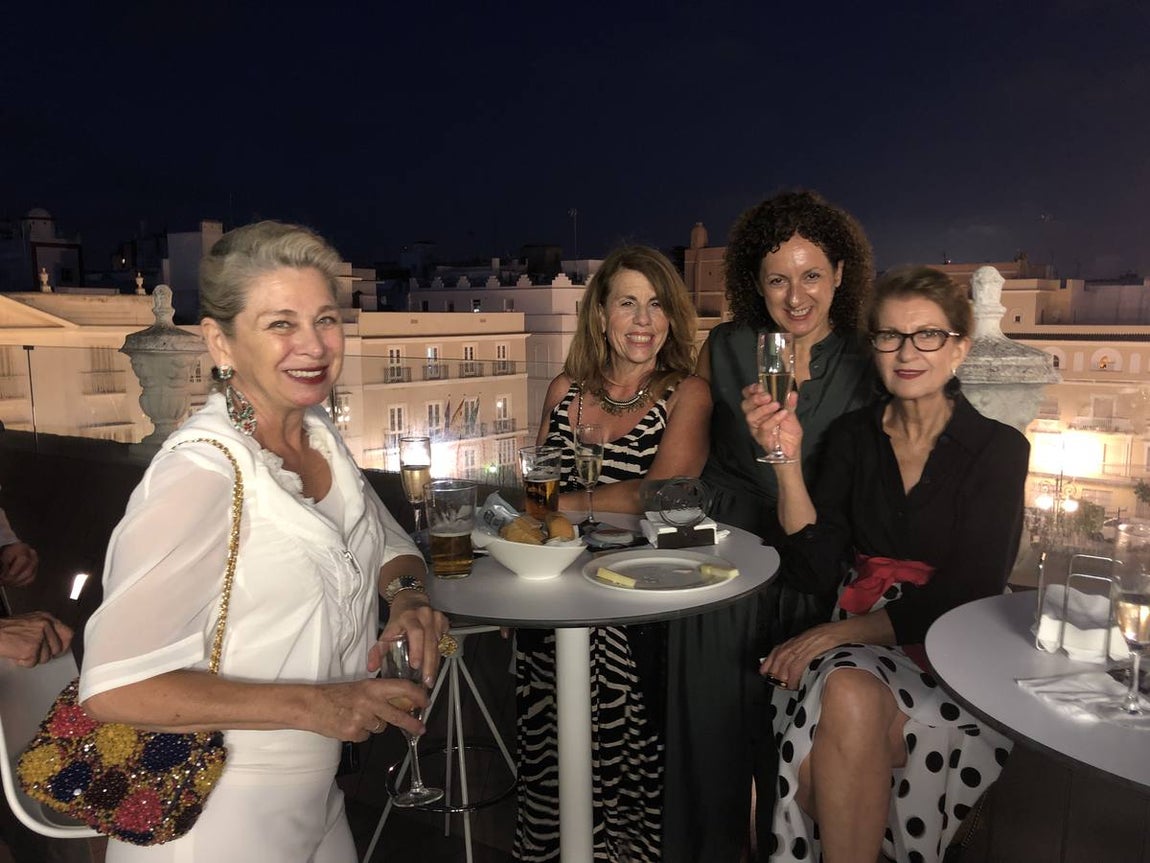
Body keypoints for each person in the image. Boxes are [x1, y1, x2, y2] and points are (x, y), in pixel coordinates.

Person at [78, 221, 451, 862]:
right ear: (220, 342)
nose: (313, 345)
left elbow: (387, 542)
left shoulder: (318, 438)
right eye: (281, 323)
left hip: (314, 803)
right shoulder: (201, 473)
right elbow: (115, 690)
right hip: (212, 818)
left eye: (326, 319)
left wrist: (410, 598)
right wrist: (319, 705)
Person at [742, 265, 1029, 863]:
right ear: (873, 346)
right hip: (855, 645)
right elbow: (816, 567)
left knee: (836, 736)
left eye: (927, 335)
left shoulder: (999, 449)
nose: (906, 352)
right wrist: (787, 463)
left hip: (951, 648)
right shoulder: (852, 437)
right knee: (848, 691)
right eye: (890, 336)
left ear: (961, 347)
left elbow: (970, 588)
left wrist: (830, 635)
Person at [663, 190, 877, 861]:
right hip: (722, 563)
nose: (796, 296)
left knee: (795, 759)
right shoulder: (725, 346)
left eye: (812, 274)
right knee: (708, 744)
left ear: (841, 274)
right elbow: (683, 467)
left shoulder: (870, 364)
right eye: (777, 279)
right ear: (755, 284)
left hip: (812, 571)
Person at [515, 245, 711, 861]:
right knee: (551, 770)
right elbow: (533, 498)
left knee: (628, 781)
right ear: (601, 315)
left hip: (631, 614)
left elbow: (664, 495)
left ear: (673, 320)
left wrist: (567, 504)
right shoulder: (565, 390)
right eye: (628, 302)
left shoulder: (686, 393)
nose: (643, 319)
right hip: (552, 605)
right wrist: (570, 506)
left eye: (657, 305)